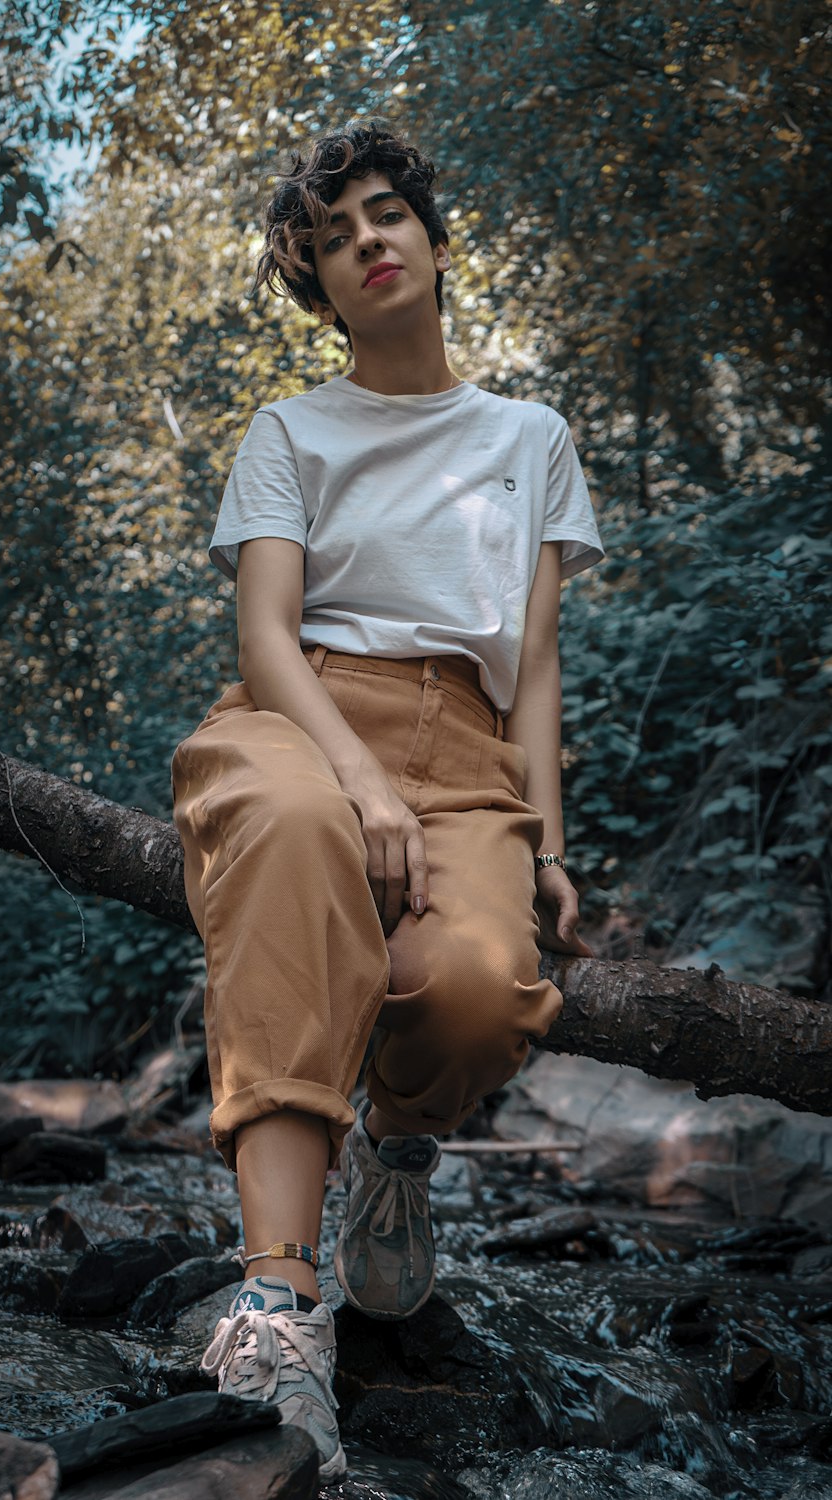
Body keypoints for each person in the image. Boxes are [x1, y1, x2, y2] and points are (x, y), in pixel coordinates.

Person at [171, 118, 603, 1481]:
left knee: (480, 985)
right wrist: (357, 780)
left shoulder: (531, 436)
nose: (368, 238)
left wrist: (542, 837)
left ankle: (395, 1166)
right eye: (336, 233)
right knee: (298, 827)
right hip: (300, 719)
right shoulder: (289, 430)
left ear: (428, 234)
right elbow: (264, 640)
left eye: (385, 214)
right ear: (321, 282)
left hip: (469, 752)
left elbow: (531, 665)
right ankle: (279, 1309)